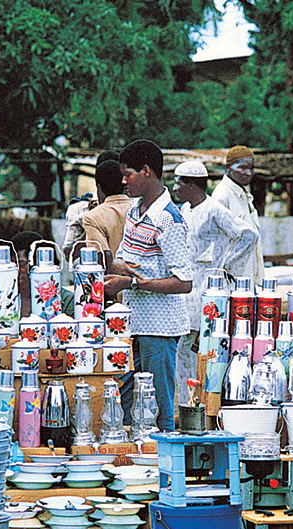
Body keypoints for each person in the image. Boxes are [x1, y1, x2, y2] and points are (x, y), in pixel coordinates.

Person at [104, 140, 193, 432]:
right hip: (132, 324)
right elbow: (126, 258)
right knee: (127, 403)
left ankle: (164, 468)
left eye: (128, 174)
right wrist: (114, 266)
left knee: (158, 407)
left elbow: (184, 282)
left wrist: (130, 282)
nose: (123, 181)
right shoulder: (134, 209)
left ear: (146, 172)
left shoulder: (169, 220)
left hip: (160, 328)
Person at [172, 159, 258, 389]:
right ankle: (187, 401)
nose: (175, 188)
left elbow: (248, 235)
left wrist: (226, 266)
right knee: (184, 351)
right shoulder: (184, 210)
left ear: (192, 185)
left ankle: (206, 400)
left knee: (208, 350)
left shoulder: (214, 209)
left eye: (179, 182)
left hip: (210, 294)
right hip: (189, 292)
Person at [211, 145, 264, 285]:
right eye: (242, 167)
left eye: (251, 168)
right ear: (229, 168)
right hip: (230, 279)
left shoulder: (242, 195)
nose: (248, 173)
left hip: (246, 275)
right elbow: (217, 243)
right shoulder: (222, 195)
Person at [82, 158, 131, 270]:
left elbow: (102, 259)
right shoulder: (140, 208)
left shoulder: (92, 217)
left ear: (99, 187)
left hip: (113, 283)